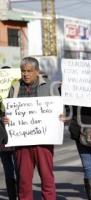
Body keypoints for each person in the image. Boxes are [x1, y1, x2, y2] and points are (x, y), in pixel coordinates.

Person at [3, 57, 61, 199]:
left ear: (37, 71)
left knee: (47, 180)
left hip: (44, 143)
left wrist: (62, 117)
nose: (26, 74)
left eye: (29, 71)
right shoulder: (15, 87)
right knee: (23, 182)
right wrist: (6, 119)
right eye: (23, 71)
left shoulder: (49, 87)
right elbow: (9, 111)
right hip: (22, 144)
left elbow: (60, 111)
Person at [0, 65, 18, 200]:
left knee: (10, 167)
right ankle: (15, 194)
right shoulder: (17, 91)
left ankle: (14, 195)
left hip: (13, 137)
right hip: (6, 138)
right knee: (14, 166)